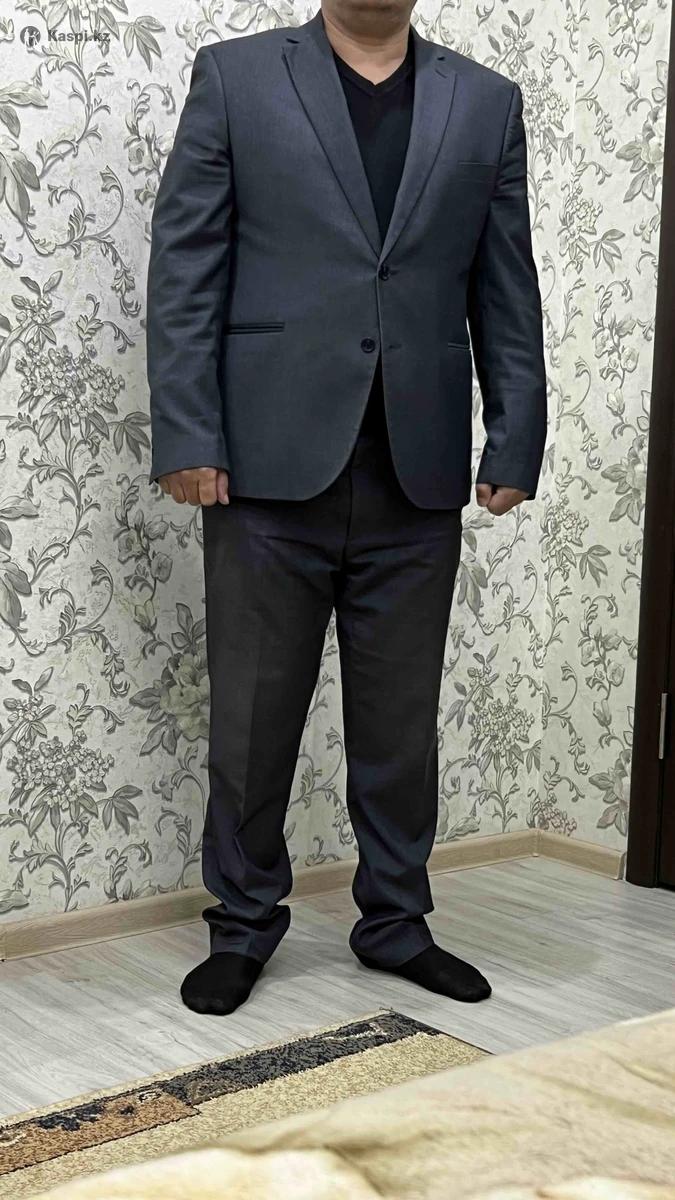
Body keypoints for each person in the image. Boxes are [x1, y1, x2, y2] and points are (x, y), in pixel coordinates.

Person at [146, 0, 547, 1016]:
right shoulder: (236, 78)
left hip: (417, 468)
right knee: (252, 719)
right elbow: (186, 265)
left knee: (401, 727)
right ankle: (243, 924)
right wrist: (189, 434)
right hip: (264, 467)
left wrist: (514, 435)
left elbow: (506, 283)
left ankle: (396, 923)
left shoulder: (485, 103)